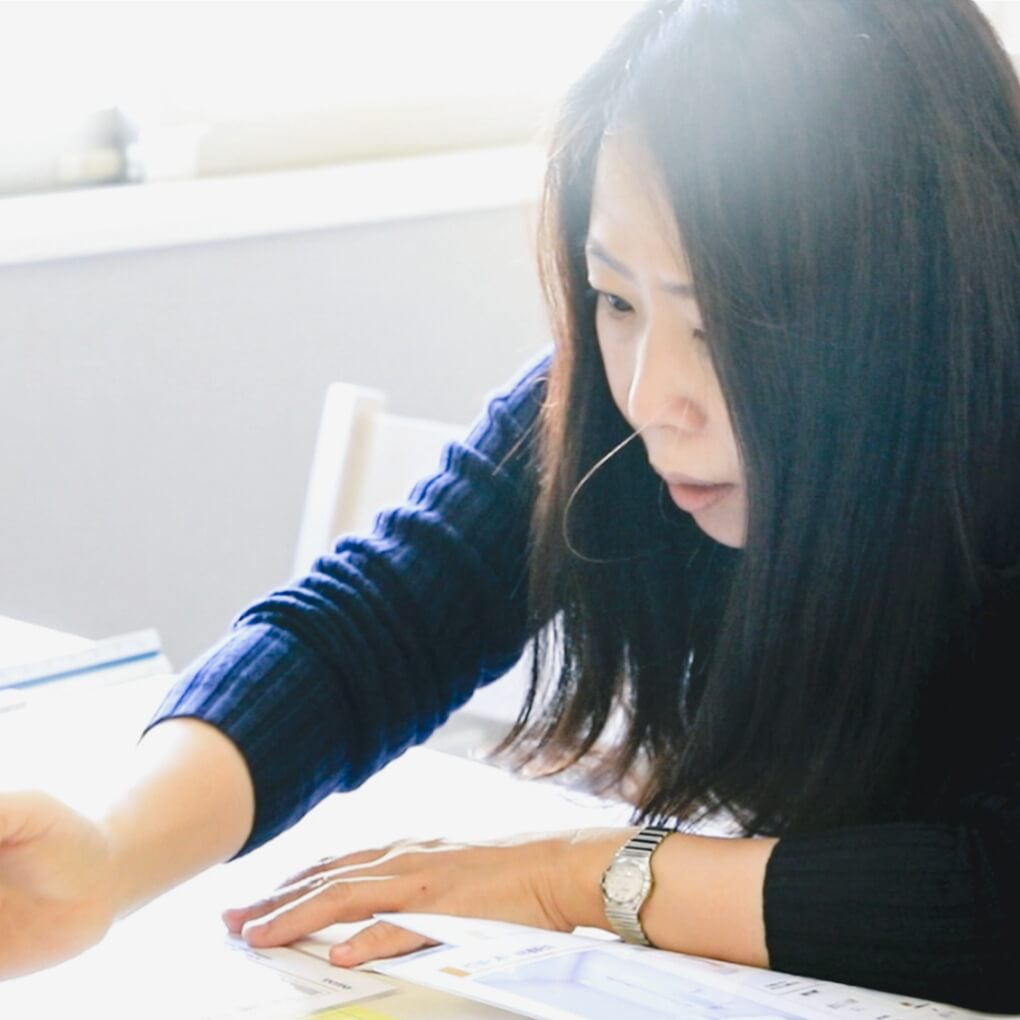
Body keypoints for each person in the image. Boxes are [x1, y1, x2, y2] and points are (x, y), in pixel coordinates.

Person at [2, 0, 1019, 1011]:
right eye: (616, 299)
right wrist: (108, 854)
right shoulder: (607, 416)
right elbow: (377, 617)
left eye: (720, 327)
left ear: (925, 299)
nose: (650, 396)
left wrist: (579, 877)